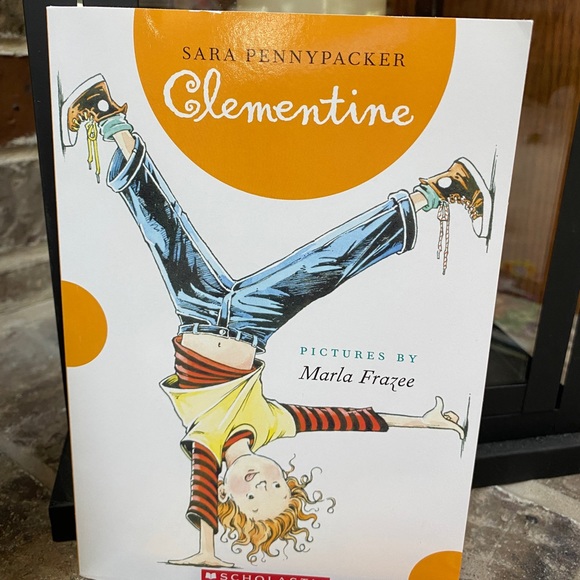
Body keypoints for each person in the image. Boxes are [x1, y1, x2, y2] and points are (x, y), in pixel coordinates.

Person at [62, 74, 490, 567]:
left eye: (250, 498)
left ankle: (107, 117)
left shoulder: (204, 448)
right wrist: (425, 422)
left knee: (162, 223)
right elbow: (347, 419)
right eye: (275, 487)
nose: (259, 484)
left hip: (196, 308)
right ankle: (436, 192)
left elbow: (200, 502)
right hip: (252, 321)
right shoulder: (273, 425)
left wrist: (206, 551)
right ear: (286, 475)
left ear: (227, 496)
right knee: (325, 265)